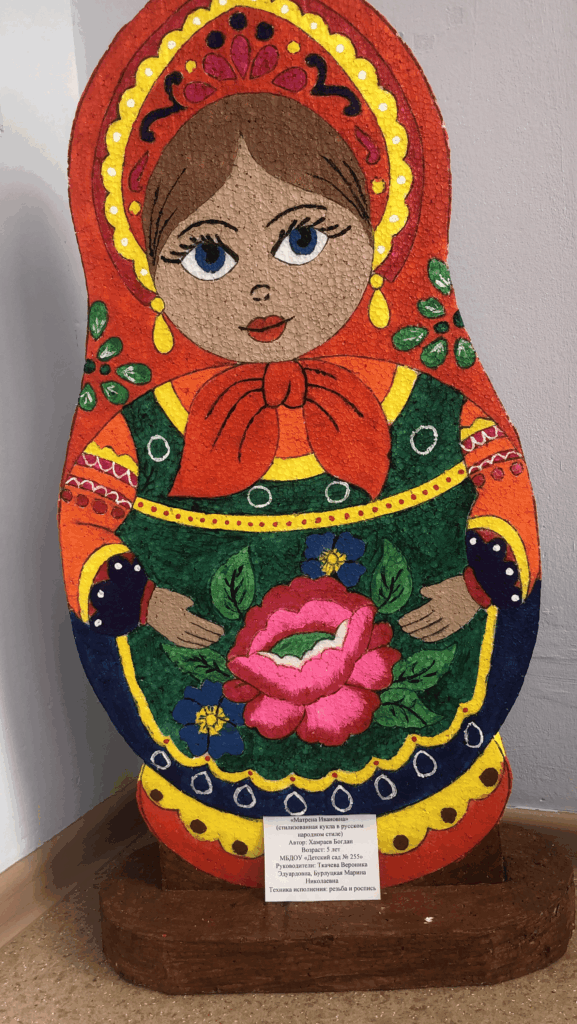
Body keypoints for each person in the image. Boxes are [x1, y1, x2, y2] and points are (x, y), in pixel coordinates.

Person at [61, 0, 540, 886]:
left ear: (376, 230)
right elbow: (88, 523)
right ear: (148, 269)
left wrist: (475, 582)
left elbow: (498, 479)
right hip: (215, 747)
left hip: (418, 733)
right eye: (207, 256)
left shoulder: (419, 401)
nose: (257, 287)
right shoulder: (145, 430)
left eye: (303, 238)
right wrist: (145, 602)